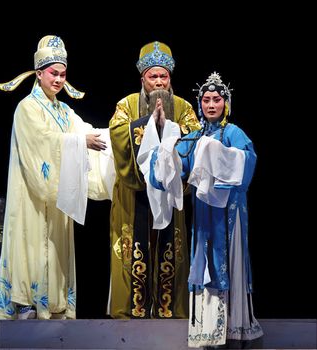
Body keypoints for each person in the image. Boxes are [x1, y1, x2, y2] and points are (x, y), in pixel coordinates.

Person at [0, 35, 115, 320]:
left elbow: (86, 130)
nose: (58, 80)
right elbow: (43, 140)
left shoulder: (63, 110)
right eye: (53, 73)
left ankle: (54, 307)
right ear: (39, 74)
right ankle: (25, 303)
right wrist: (77, 141)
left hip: (57, 200)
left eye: (62, 74)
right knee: (31, 242)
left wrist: (120, 137)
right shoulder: (27, 108)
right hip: (32, 196)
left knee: (55, 249)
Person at [140, 72, 263, 347]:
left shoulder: (234, 133)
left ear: (225, 104)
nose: (211, 105)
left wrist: (217, 153)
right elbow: (175, 169)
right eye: (206, 100)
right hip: (204, 216)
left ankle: (234, 329)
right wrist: (165, 145)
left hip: (229, 213)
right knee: (203, 260)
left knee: (228, 261)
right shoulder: (194, 137)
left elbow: (247, 163)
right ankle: (207, 330)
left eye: (216, 100)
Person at [108, 41, 201, 319]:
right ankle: (129, 314)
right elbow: (117, 133)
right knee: (132, 250)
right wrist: (148, 125)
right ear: (142, 78)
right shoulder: (126, 104)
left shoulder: (183, 107)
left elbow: (194, 139)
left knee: (170, 252)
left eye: (163, 76)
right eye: (153, 76)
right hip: (134, 196)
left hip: (169, 197)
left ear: (170, 78)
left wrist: (168, 128)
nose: (158, 82)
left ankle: (169, 311)